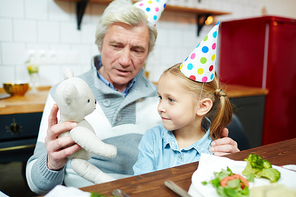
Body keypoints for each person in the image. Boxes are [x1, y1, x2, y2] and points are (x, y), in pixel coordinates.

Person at [25, 0, 239, 195]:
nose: (126, 60)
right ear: (101, 44)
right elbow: (37, 185)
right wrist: (52, 163)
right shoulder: (67, 94)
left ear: (148, 52)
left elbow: (198, 150)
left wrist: (229, 157)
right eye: (116, 46)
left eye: (137, 49)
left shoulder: (165, 100)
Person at [133, 64, 232, 175]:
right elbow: (142, 183)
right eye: (160, 97)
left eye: (171, 99)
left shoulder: (217, 149)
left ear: (202, 106)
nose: (160, 108)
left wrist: (234, 162)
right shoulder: (152, 138)